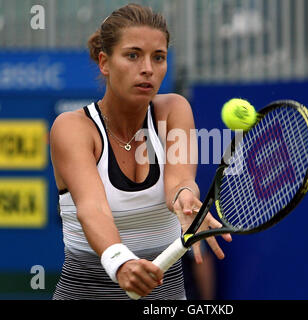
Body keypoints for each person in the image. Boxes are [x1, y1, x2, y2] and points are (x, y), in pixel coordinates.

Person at [50, 4, 231, 300]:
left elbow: (180, 179)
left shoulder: (174, 110)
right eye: (133, 55)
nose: (147, 68)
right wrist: (119, 261)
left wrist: (185, 200)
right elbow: (92, 208)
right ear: (104, 63)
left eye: (158, 57)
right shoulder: (72, 127)